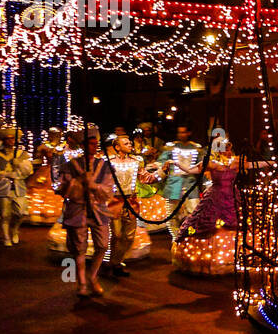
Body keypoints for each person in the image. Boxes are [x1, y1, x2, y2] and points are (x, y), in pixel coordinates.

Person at [56, 128, 115, 297]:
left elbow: (108, 191)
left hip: (98, 210)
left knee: (103, 245)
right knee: (79, 248)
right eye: (91, 143)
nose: (94, 146)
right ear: (83, 145)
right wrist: (78, 182)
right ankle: (81, 283)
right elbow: (63, 189)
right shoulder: (70, 165)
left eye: (96, 143)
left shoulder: (104, 166)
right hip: (78, 210)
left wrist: (95, 187)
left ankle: (93, 277)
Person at [171, 143, 244, 274]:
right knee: (206, 223)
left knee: (236, 223)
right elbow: (189, 170)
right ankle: (209, 260)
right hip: (215, 197)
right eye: (224, 149)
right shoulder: (212, 163)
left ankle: (231, 259)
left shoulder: (235, 162)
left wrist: (272, 162)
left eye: (229, 149)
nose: (227, 152)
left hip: (232, 196)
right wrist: (176, 164)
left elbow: (253, 165)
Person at [104, 133, 152, 277]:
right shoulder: (109, 161)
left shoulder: (137, 161)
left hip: (131, 201)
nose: (130, 145)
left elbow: (145, 178)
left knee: (129, 236)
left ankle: (116, 262)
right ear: (117, 147)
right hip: (114, 201)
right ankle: (114, 263)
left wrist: (162, 172)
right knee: (116, 235)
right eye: (126, 143)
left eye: (130, 143)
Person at [0, 126, 34, 246]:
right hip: (4, 189)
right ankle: (6, 237)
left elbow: (28, 171)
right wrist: (7, 174)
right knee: (5, 214)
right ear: (4, 140)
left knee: (21, 213)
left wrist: (19, 165)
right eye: (8, 139)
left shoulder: (21, 154)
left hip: (19, 188)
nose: (10, 141)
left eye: (12, 139)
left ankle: (15, 230)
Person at [157, 126, 205, 239]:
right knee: (172, 214)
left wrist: (206, 183)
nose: (181, 134)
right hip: (173, 185)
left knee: (195, 212)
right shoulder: (171, 148)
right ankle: (176, 237)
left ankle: (190, 237)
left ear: (189, 133)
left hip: (190, 184)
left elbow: (203, 166)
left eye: (184, 132)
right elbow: (161, 163)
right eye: (179, 132)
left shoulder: (196, 148)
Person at [27, 127, 68, 225]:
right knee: (41, 190)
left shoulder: (64, 146)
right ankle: (39, 215)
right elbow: (39, 160)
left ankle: (56, 215)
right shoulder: (44, 146)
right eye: (52, 134)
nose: (54, 136)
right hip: (47, 170)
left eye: (57, 135)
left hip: (59, 171)